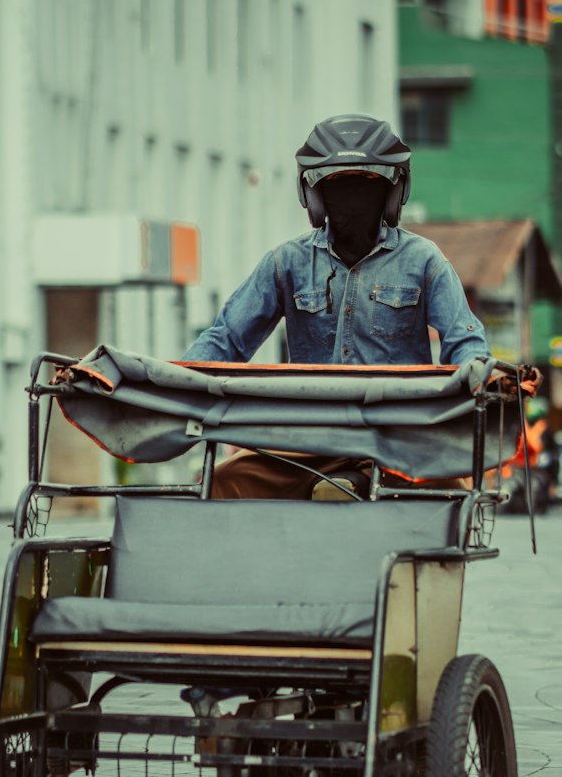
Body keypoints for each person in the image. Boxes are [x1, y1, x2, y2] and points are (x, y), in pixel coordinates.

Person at [183, 114, 491, 498]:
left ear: (393, 195)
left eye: (366, 188)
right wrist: (172, 386)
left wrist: (478, 374)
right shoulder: (286, 262)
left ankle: (358, 491)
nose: (352, 202)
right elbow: (225, 341)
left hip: (398, 435)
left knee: (452, 493)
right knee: (223, 482)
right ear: (313, 197)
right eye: (338, 188)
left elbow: (464, 340)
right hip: (308, 438)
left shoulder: (424, 261)